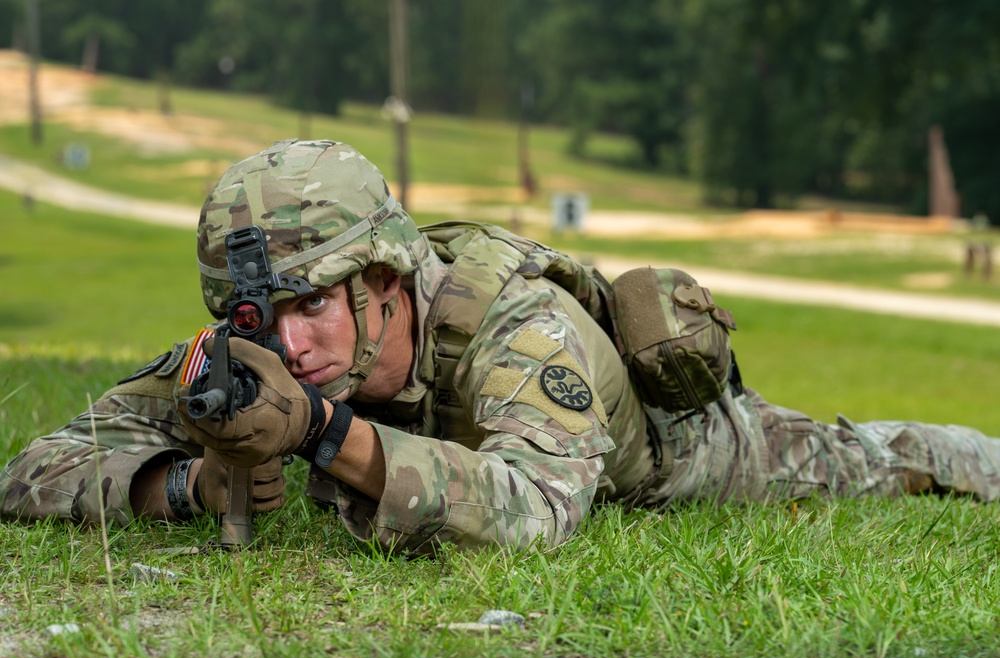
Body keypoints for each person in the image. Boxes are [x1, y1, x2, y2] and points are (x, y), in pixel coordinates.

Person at [2, 138, 999, 556]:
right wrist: (187, 488)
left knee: (879, 460)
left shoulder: (517, 329)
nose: (286, 343)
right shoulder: (252, 353)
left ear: (384, 282)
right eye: (258, 316)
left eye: (312, 306)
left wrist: (316, 433)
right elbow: (34, 466)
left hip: (682, 453)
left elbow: (537, 512)